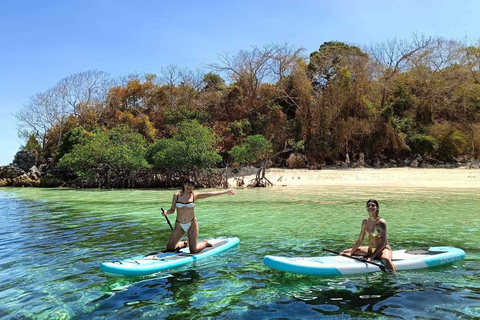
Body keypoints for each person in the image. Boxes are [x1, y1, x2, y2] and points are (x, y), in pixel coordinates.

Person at [162, 177, 235, 253]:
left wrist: (225, 192)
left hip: (192, 224)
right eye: (188, 184)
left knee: (193, 250)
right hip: (179, 225)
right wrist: (166, 212)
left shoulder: (194, 196)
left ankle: (204, 243)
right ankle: (186, 243)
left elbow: (210, 194)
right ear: (184, 184)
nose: (189, 187)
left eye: (192, 185)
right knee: (170, 248)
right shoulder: (176, 196)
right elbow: (172, 210)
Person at [340, 199, 397, 273]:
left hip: (382, 250)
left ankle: (394, 275)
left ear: (377, 208)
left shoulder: (381, 223)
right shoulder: (365, 222)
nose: (370, 207)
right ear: (366, 208)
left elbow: (382, 244)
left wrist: (371, 257)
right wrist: (351, 253)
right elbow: (360, 239)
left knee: (385, 259)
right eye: (368, 205)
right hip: (370, 249)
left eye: (373, 205)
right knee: (345, 251)